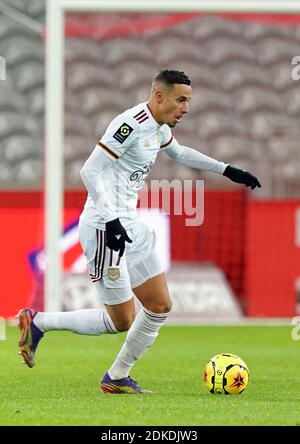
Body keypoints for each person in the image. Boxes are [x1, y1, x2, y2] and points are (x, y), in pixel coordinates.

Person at [17, 69, 261, 394]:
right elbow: (89, 170)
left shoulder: (159, 128)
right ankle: (38, 322)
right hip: (106, 228)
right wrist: (113, 219)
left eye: (188, 100)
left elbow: (179, 153)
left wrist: (227, 170)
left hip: (130, 226)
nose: (186, 108)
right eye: (181, 100)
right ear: (159, 96)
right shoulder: (129, 124)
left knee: (160, 306)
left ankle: (117, 376)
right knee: (120, 321)